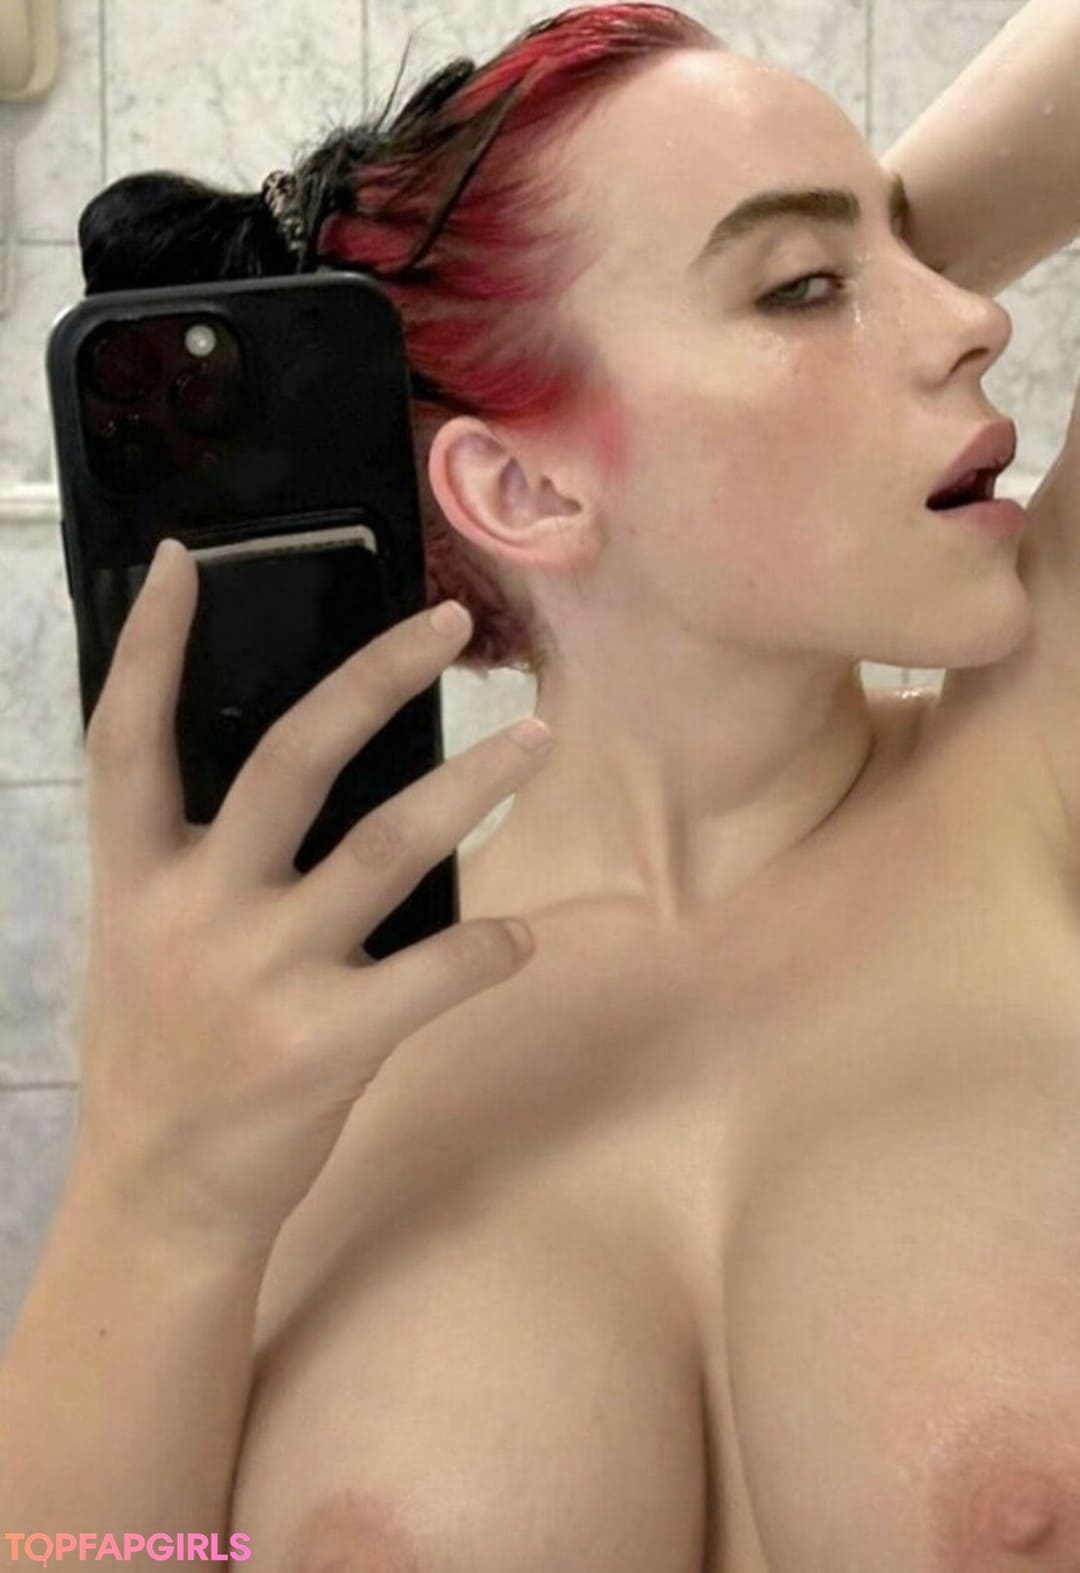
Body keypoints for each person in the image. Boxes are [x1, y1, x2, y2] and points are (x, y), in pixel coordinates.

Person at [4, 3, 1080, 1570]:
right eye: (804, 288)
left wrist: (849, 263)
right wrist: (154, 1189)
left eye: (914, 255)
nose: (976, 319)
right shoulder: (291, 1050)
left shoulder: (1040, 788)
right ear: (518, 485)